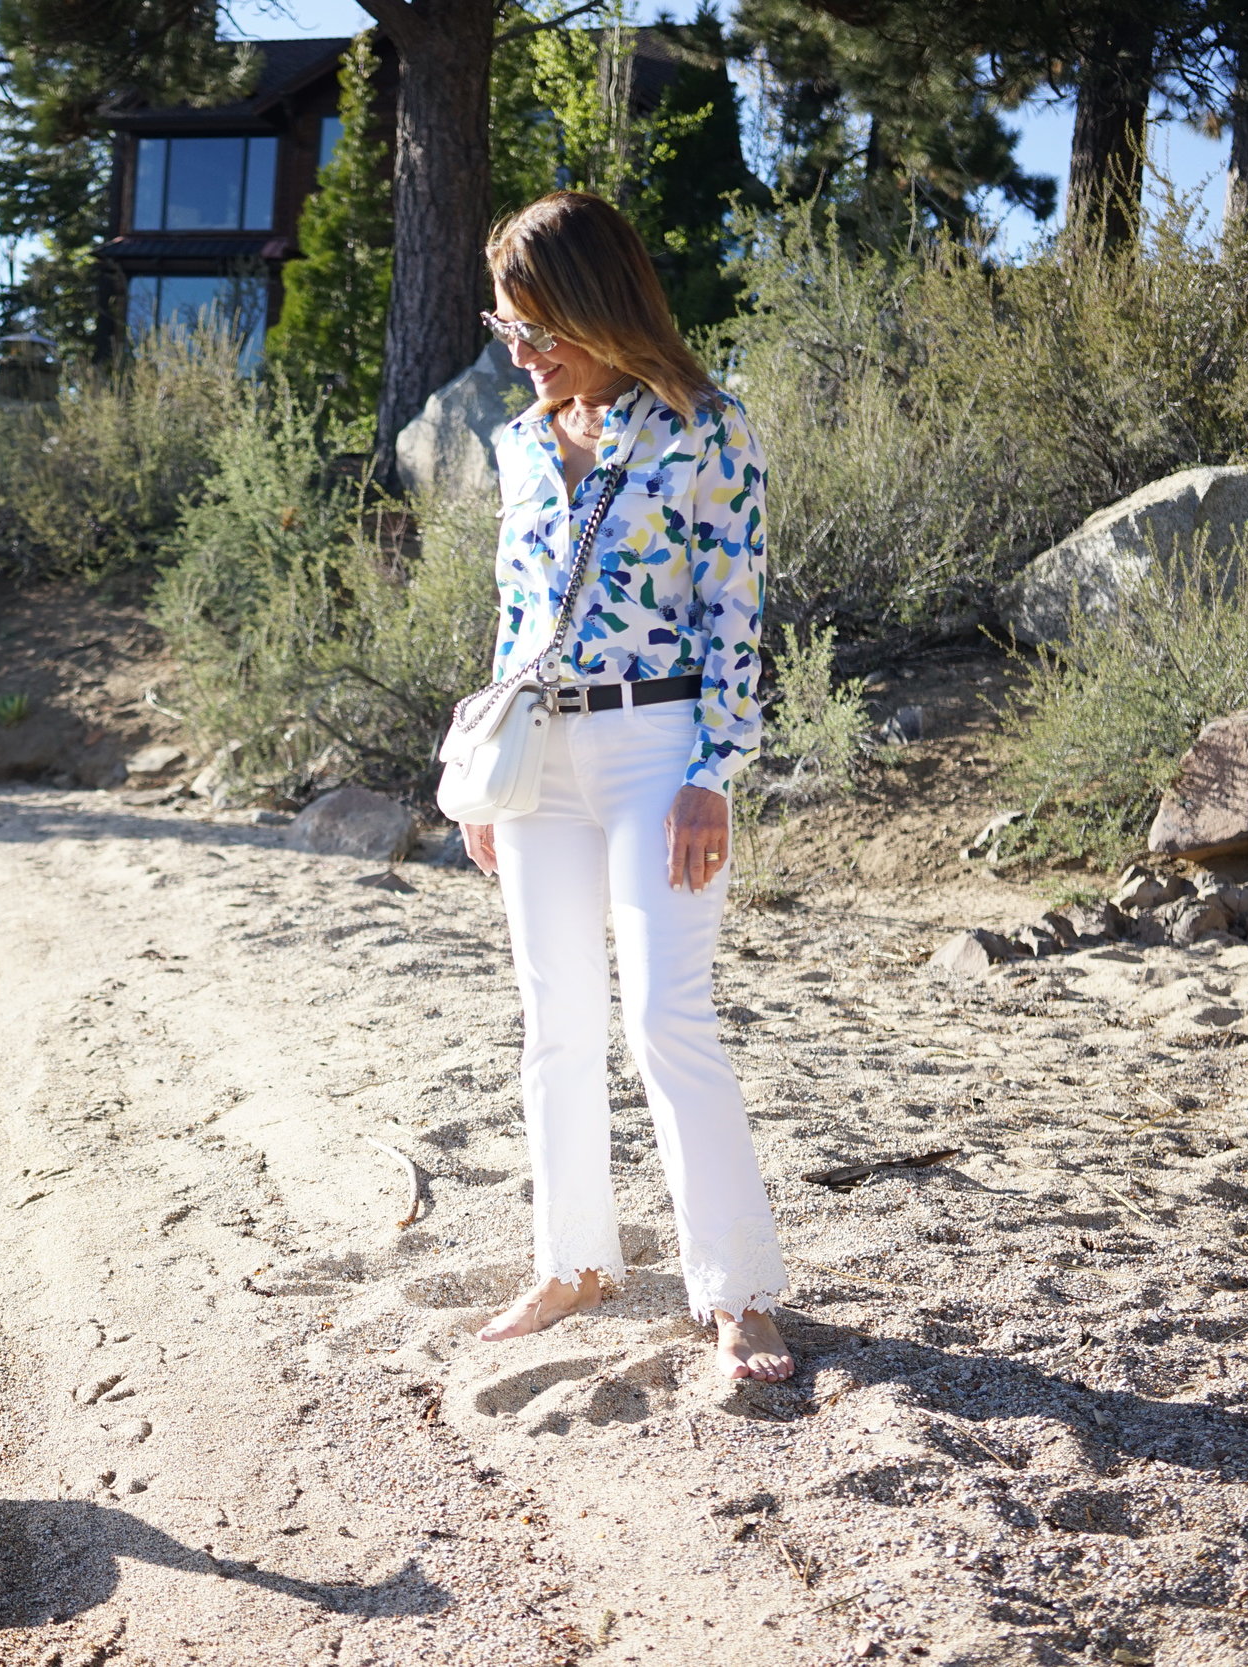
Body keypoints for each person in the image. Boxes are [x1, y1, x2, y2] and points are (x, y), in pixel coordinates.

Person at [460, 190, 793, 1383]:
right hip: (535, 758)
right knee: (554, 1021)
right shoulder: (514, 443)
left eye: (538, 326)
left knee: (664, 1012)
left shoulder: (709, 428)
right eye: (507, 330)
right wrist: (480, 787)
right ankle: (572, 1261)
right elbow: (514, 616)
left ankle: (738, 1291)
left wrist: (714, 772)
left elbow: (734, 617)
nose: (524, 350)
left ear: (599, 307)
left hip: (660, 748)